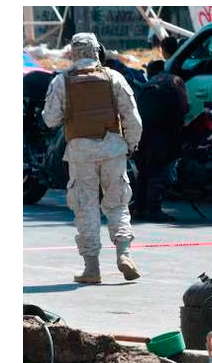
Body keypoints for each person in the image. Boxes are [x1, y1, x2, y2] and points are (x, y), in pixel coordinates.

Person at [42, 32, 143, 284]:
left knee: (85, 207)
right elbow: (133, 119)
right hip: (113, 150)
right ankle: (124, 255)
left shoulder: (62, 81)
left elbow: (50, 119)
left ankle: (92, 268)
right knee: (118, 204)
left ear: (74, 53)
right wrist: (130, 144)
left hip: (80, 153)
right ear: (97, 50)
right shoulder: (114, 77)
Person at [133, 59, 189, 222]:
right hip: (166, 134)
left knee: (144, 171)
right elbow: (184, 108)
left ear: (151, 71)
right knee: (158, 173)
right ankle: (153, 209)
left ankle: (139, 208)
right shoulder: (175, 81)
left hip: (145, 134)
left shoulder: (148, 84)